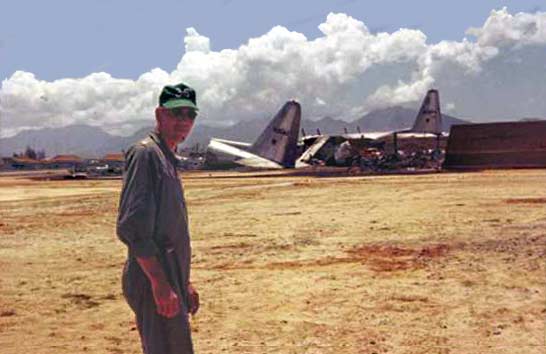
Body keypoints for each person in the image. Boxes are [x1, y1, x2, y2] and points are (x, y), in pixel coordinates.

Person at [117, 83, 200, 354]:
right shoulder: (146, 154)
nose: (184, 121)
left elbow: (170, 227)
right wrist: (160, 283)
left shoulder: (166, 156)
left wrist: (183, 281)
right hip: (153, 275)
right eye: (177, 114)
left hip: (169, 273)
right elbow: (134, 227)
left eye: (190, 114)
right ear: (159, 115)